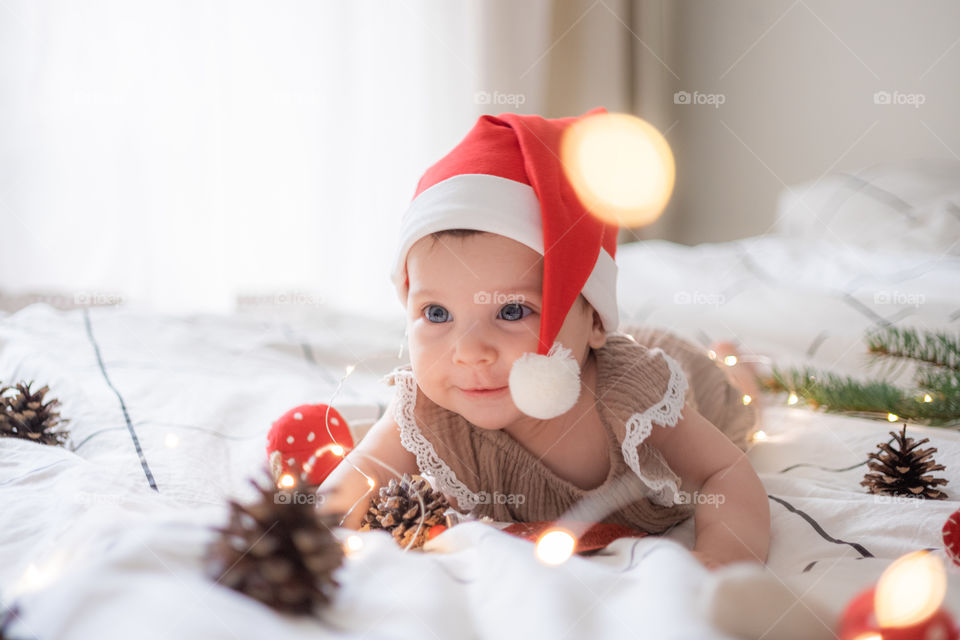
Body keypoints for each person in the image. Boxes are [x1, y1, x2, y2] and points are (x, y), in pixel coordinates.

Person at [317, 107, 770, 570]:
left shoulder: (633, 399)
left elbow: (724, 471)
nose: (469, 352)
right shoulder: (429, 406)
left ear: (594, 319)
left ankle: (737, 366)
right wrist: (310, 533)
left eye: (511, 311)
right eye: (437, 313)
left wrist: (723, 555)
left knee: (738, 400)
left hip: (687, 375)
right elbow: (362, 471)